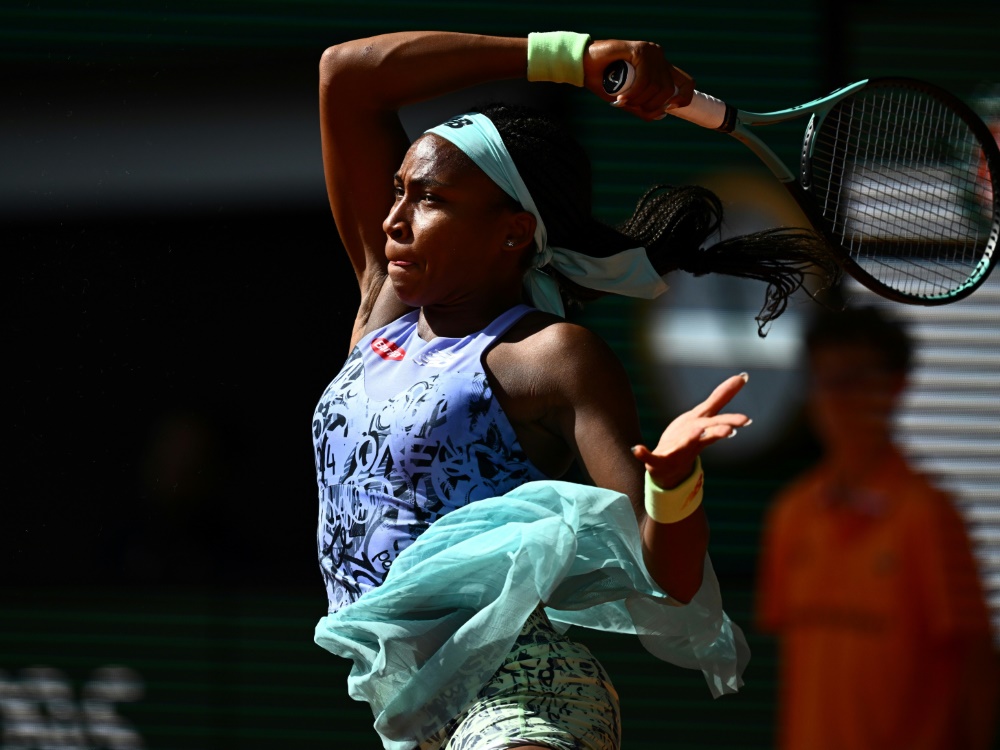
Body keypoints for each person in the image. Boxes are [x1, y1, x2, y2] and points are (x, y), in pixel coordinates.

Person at [310, 30, 838, 750]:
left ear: (512, 232)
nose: (394, 218)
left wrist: (674, 484)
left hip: (526, 697)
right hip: (414, 715)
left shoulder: (552, 357)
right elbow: (346, 74)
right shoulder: (384, 313)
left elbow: (669, 579)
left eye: (429, 199)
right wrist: (568, 59)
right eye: (398, 191)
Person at [756, 306, 998, 750]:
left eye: (850, 381)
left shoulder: (929, 516)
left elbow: (977, 666)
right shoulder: (790, 513)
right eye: (822, 380)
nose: (833, 399)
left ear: (895, 387)